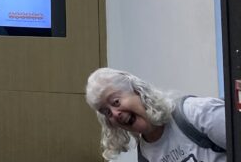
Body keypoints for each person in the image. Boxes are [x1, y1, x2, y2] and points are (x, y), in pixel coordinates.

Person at [85, 67, 226, 162]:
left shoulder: (194, 112)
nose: (115, 114)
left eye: (116, 102)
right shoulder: (146, 154)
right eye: (107, 112)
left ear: (138, 91)